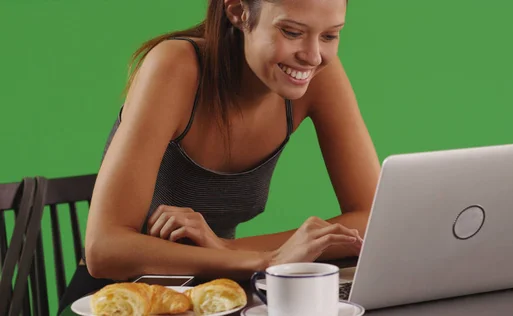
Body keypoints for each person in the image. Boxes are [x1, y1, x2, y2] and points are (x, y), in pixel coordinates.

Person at [59, 0, 380, 311]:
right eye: (291, 32)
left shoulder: (318, 75)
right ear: (238, 11)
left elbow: (373, 219)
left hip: (217, 292)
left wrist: (226, 249)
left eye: (329, 35)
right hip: (121, 298)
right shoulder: (175, 66)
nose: (313, 56)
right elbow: (105, 249)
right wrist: (267, 261)